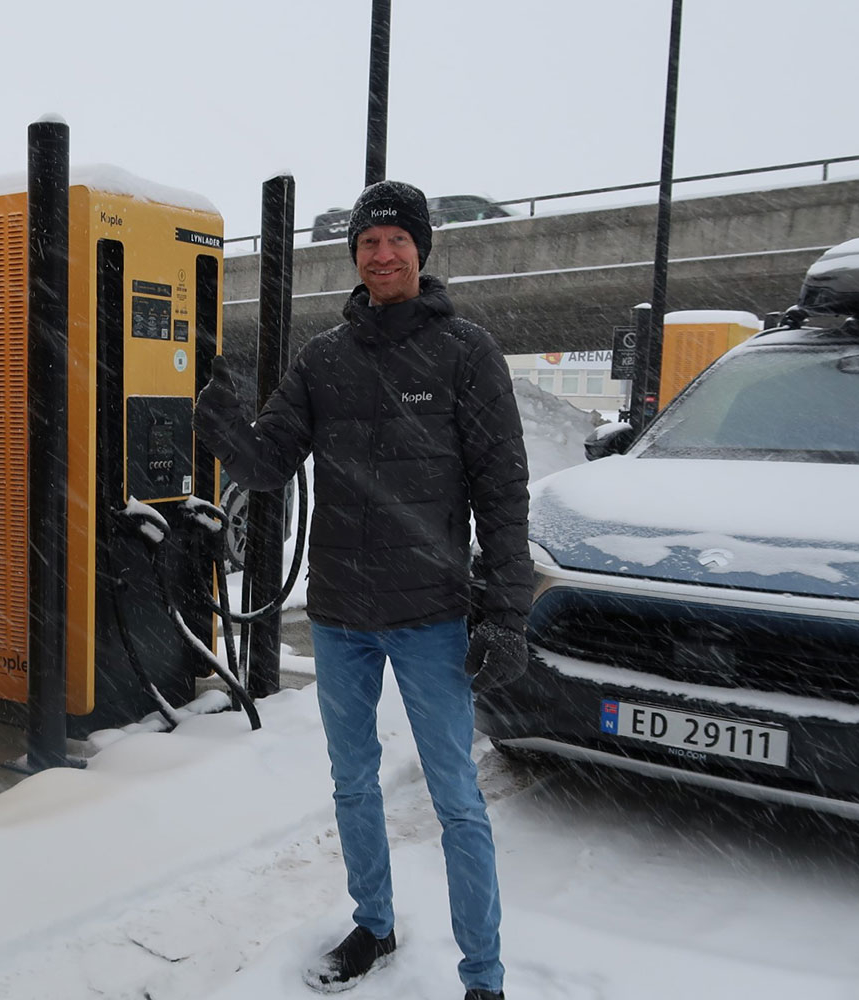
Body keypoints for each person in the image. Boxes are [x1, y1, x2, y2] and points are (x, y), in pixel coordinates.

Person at [195, 180, 530, 1000]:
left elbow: (503, 488)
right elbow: (269, 464)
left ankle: (482, 977)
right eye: (369, 243)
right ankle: (373, 925)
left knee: (457, 801)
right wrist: (218, 419)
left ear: (421, 250)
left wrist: (507, 610)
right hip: (343, 616)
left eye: (396, 241)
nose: (383, 254)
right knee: (351, 785)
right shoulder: (323, 360)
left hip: (432, 617)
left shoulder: (467, 353)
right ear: (354, 257)